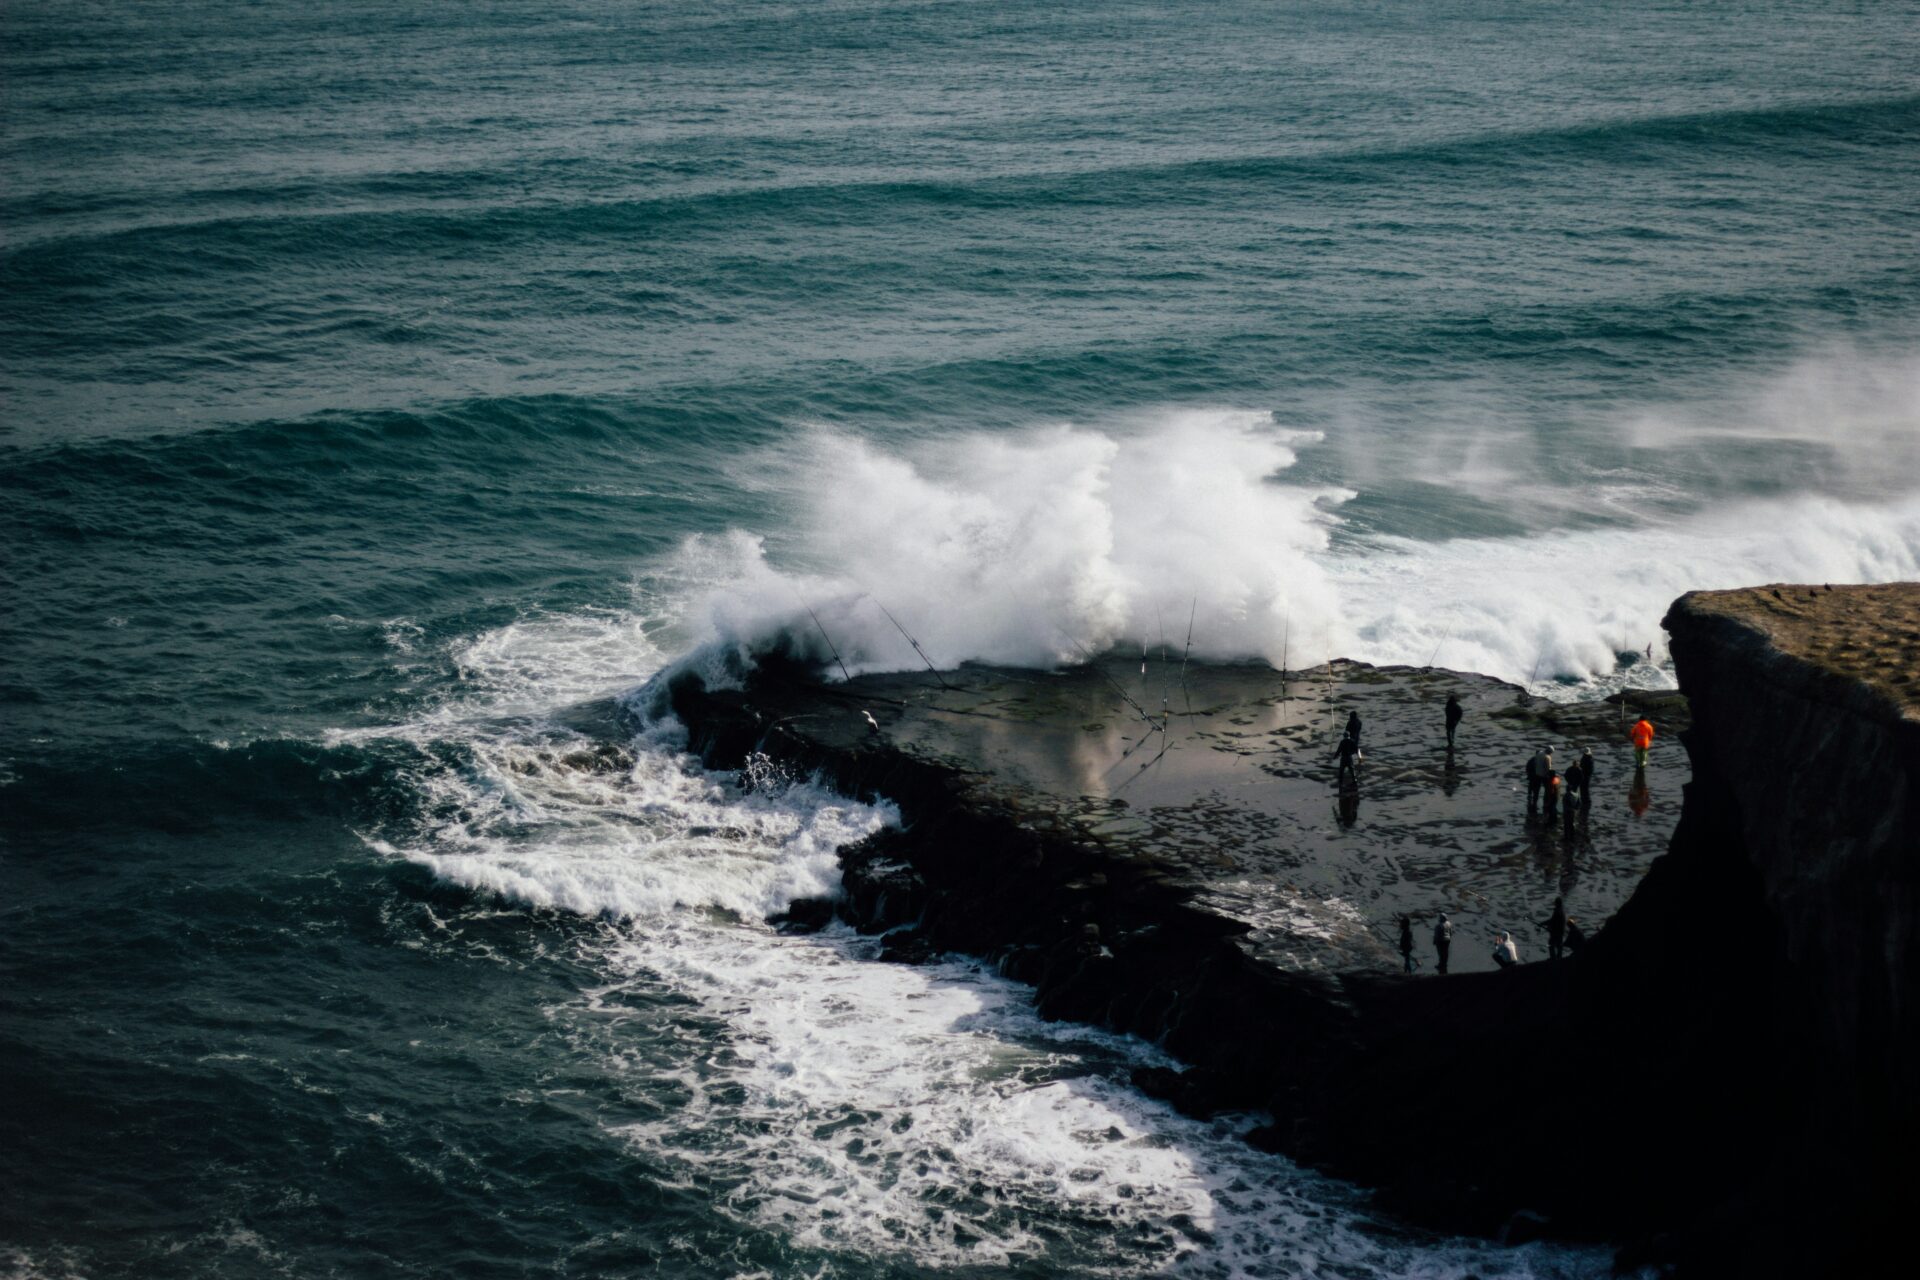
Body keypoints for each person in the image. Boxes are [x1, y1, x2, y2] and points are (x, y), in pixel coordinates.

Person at [1526, 746, 1554, 812]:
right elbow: (1548, 768)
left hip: (1536, 775)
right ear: (1550, 752)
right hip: (1544, 776)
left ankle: (1534, 803)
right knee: (1547, 789)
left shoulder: (1539, 754)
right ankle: (1545, 803)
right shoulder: (1547, 757)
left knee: (1536, 791)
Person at [1577, 747, 1596, 813]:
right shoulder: (1589, 759)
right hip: (1585, 776)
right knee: (1584, 789)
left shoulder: (1588, 759)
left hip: (1585, 776)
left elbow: (1586, 769)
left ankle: (1586, 802)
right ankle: (1585, 802)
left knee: (1584, 789)